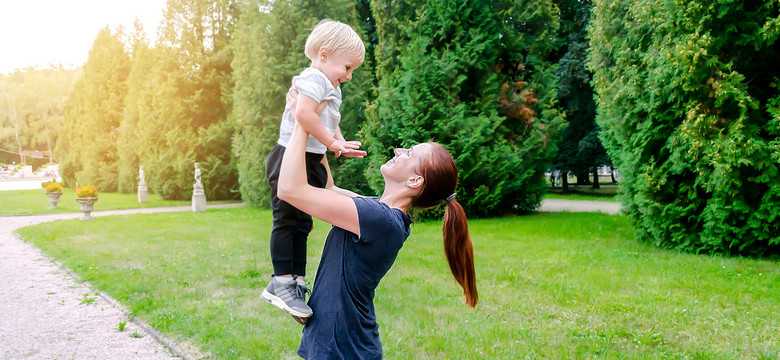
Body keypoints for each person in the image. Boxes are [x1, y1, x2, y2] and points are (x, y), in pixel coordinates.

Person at [277, 112, 478, 359]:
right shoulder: (379, 213)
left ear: (415, 180)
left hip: (342, 346)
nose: (398, 150)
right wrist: (322, 122)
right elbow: (327, 188)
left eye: (409, 153)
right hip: (341, 341)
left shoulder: (379, 219)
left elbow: (289, 189)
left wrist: (301, 120)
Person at [261, 19, 367, 323]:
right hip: (290, 158)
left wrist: (339, 143)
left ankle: (296, 281)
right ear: (324, 54)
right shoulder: (313, 78)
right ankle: (281, 281)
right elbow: (305, 114)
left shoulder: (328, 83)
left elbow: (329, 120)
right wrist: (332, 140)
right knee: (286, 220)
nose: (348, 76)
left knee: (302, 222)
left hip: (311, 159)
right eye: (346, 68)